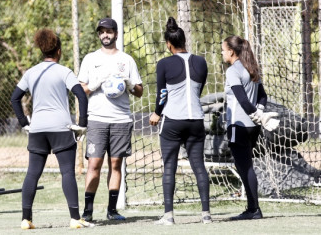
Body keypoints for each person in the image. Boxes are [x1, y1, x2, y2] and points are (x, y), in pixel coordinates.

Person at [11, 28, 93, 229]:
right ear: (58, 51)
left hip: (37, 129)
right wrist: (82, 124)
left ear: (42, 50)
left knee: (32, 173)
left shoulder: (30, 72)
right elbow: (81, 95)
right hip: (61, 128)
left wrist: (24, 123)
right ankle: (75, 218)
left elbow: (14, 98)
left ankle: (26, 219)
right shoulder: (64, 71)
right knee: (67, 172)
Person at [78, 17, 143, 221]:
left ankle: (112, 210)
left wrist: (130, 84)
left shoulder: (127, 60)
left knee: (116, 165)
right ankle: (87, 212)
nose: (105, 35)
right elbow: (81, 90)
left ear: (116, 33)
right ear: (99, 34)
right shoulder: (90, 59)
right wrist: (95, 83)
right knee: (93, 165)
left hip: (121, 120)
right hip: (97, 120)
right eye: (102, 31)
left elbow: (139, 91)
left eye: (109, 31)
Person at [149, 17, 212, 225]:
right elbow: (198, 89)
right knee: (199, 166)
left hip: (173, 120)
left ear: (168, 44)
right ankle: (206, 215)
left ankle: (168, 216)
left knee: (170, 166)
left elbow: (162, 94)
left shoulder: (164, 63)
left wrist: (157, 113)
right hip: (196, 120)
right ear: (184, 40)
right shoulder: (201, 61)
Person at [221, 35, 279, 220]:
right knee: (246, 165)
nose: (222, 53)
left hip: (238, 125)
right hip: (253, 127)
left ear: (231, 51)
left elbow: (243, 100)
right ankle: (252, 208)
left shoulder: (233, 71)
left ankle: (254, 209)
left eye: (223, 50)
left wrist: (256, 114)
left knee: (245, 166)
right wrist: (259, 114)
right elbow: (263, 96)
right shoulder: (251, 67)